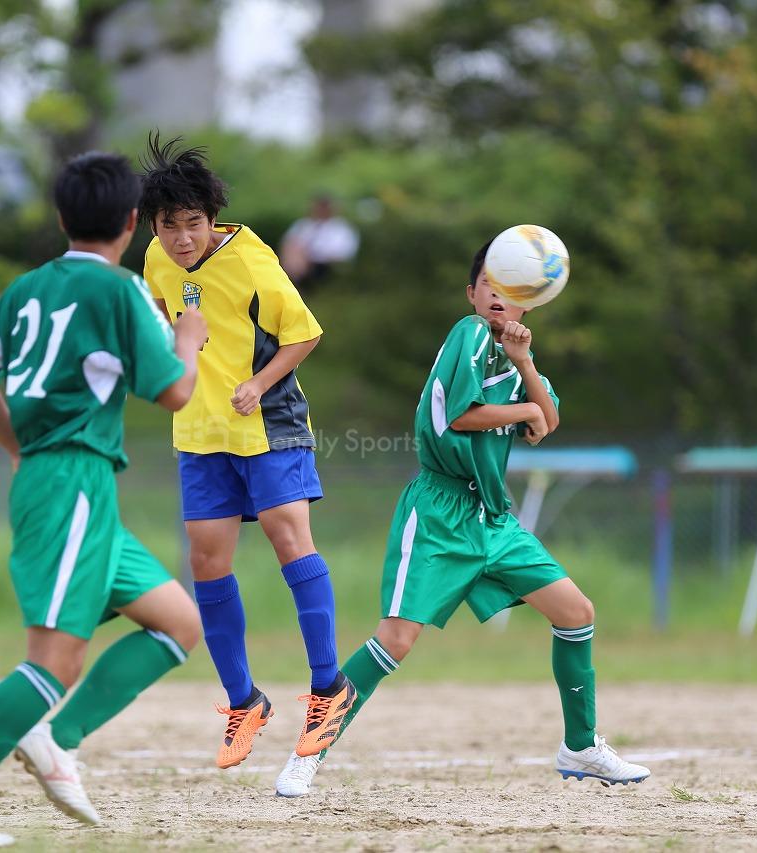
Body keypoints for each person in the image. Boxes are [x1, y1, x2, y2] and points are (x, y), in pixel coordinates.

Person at [0, 151, 209, 848]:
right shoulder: (119, 291)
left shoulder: (29, 286)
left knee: (178, 623)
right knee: (54, 660)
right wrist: (187, 339)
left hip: (75, 483)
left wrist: (16, 446)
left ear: (63, 217)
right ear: (133, 222)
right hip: (70, 481)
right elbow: (174, 389)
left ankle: (53, 736)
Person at [273, 240, 652, 797]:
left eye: (515, 291)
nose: (499, 298)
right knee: (395, 640)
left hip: (492, 518)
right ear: (472, 293)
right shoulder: (469, 334)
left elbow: (547, 422)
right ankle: (309, 750)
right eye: (490, 286)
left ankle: (581, 746)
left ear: (531, 303)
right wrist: (526, 404)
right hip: (439, 510)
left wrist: (525, 362)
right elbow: (462, 416)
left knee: (575, 612)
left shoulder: (517, 359)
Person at [138, 133, 355, 770]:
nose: (182, 238)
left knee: (292, 540)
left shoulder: (254, 263)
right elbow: (161, 315)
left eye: (193, 224)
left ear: (211, 219)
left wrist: (257, 384)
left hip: (268, 424)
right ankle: (244, 701)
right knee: (206, 563)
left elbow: (305, 334)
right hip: (200, 432)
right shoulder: (156, 261)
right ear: (154, 226)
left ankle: (328, 687)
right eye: (169, 225)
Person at [279, 194, 359, 290]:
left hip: (325, 265)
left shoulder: (341, 228)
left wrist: (311, 254)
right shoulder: (303, 225)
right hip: (302, 262)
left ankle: (294, 284)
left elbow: (343, 253)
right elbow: (288, 244)